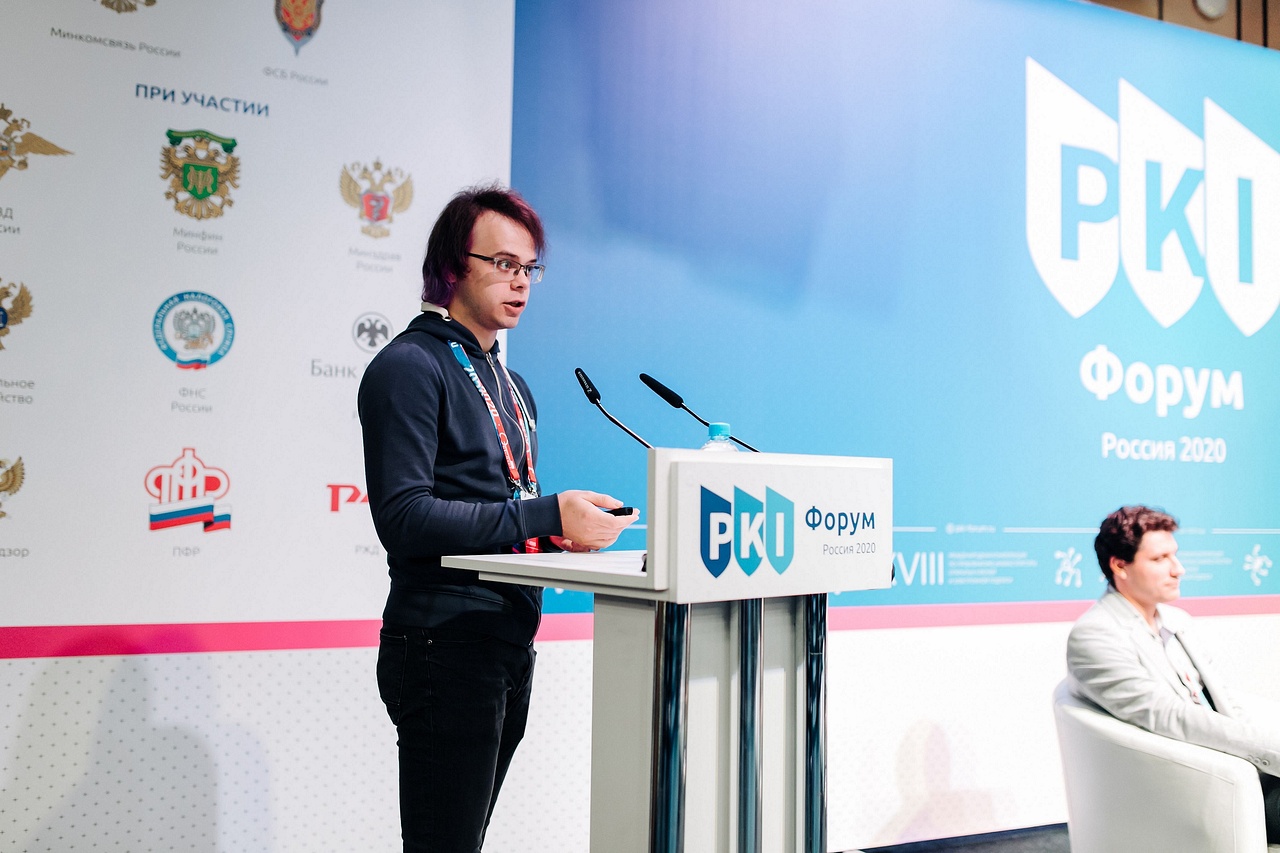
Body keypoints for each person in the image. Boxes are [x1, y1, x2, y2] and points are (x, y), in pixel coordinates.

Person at [358, 184, 637, 853]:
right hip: (442, 641)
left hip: (507, 641)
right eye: (504, 263)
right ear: (453, 265)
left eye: (529, 268)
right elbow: (405, 517)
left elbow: (499, 507)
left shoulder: (512, 385)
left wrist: (555, 530)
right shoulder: (410, 366)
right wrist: (543, 510)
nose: (520, 282)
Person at [1067, 505, 1280, 842]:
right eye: (1159, 559)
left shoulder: (1177, 621)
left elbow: (1222, 701)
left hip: (1242, 768)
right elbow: (1170, 716)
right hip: (1202, 782)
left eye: (1174, 555)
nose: (1178, 569)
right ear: (1120, 565)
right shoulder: (1095, 635)